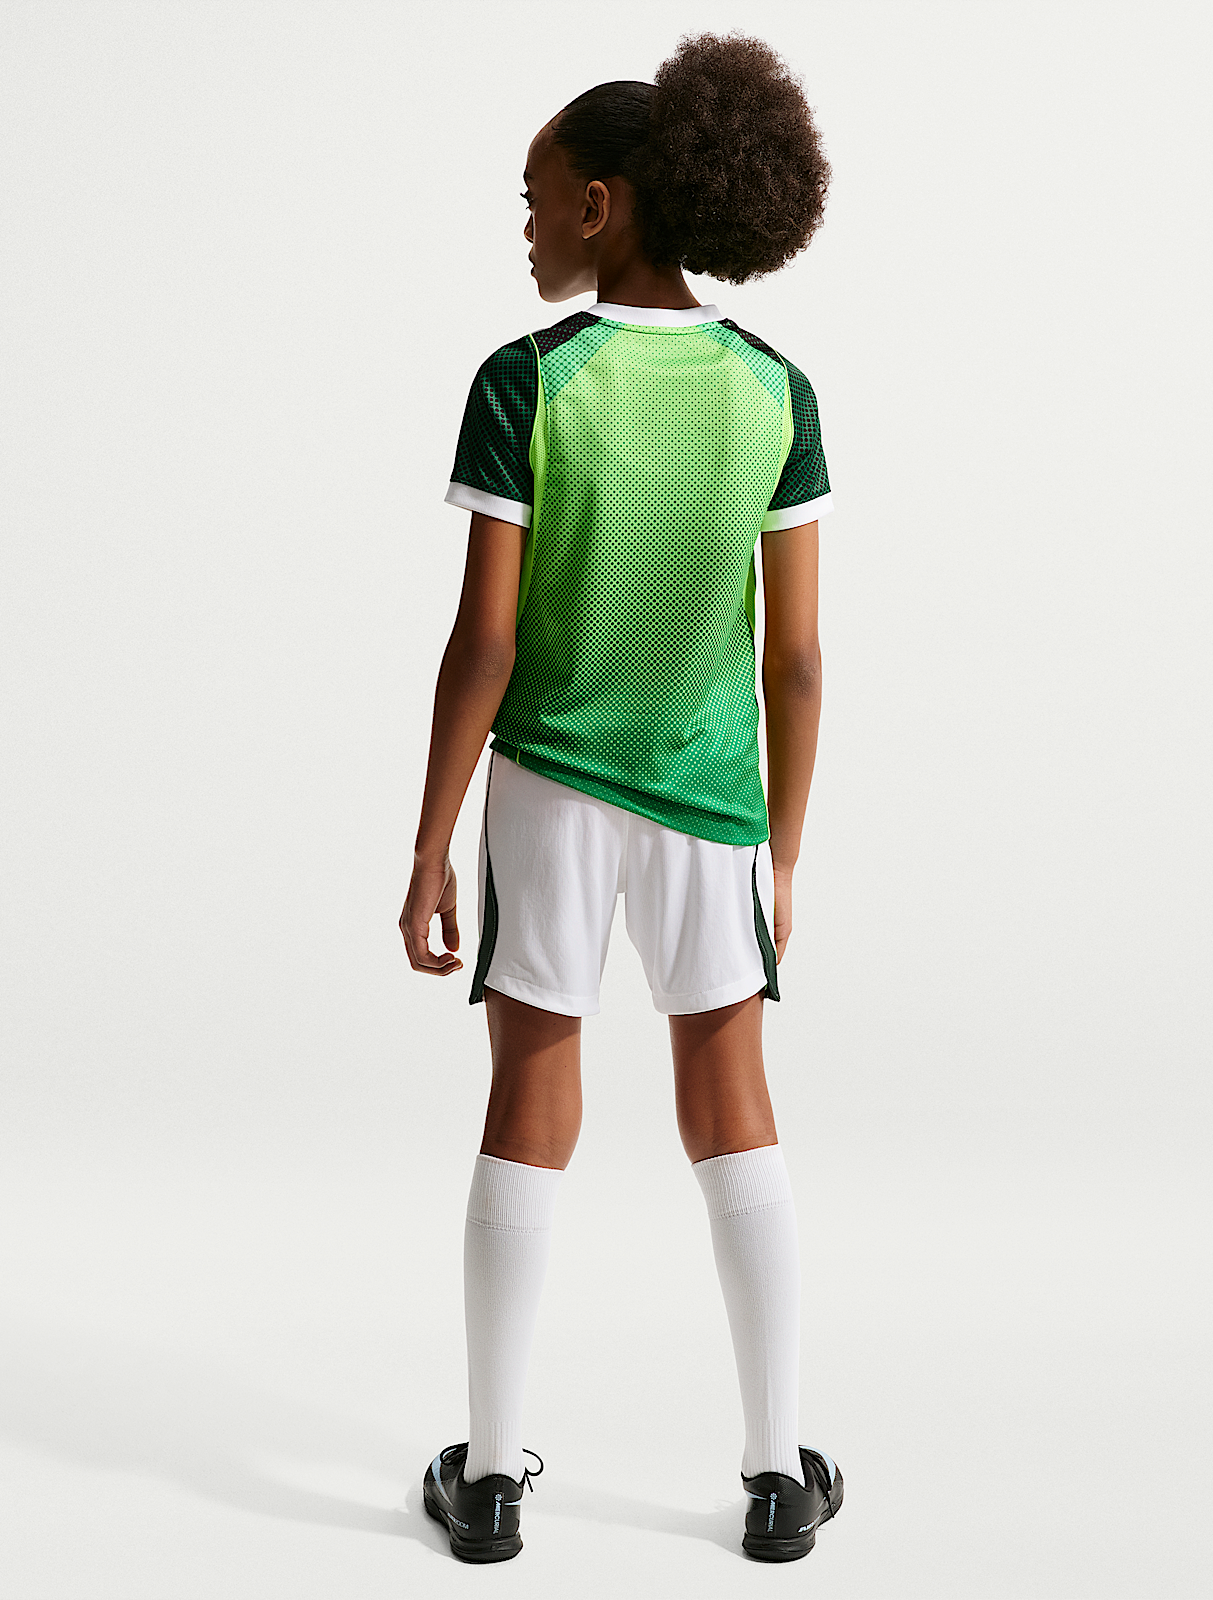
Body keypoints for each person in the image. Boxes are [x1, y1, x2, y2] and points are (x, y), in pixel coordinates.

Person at [400, 31, 839, 1564]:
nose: (524, 222)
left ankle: (490, 1478)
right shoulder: (775, 391)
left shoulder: (527, 382)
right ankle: (777, 1473)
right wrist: (784, 854)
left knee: (529, 1103)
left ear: (602, 205)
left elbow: (485, 642)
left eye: (535, 195)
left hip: (547, 790)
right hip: (716, 804)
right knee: (734, 1113)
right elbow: (795, 660)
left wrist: (430, 843)